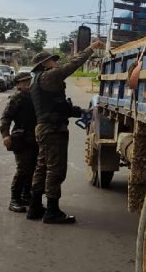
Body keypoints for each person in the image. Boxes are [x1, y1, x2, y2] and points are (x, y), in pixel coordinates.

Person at [27, 40, 105, 224]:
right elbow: (73, 65)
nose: (56, 62)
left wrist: (82, 112)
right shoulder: (48, 77)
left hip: (44, 128)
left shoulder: (37, 81)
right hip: (53, 131)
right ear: (44, 64)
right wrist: (90, 48)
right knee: (56, 170)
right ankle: (52, 212)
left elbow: (59, 107)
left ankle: (35, 206)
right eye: (53, 60)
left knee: (42, 167)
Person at [0, 72, 38, 212]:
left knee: (33, 169)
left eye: (29, 81)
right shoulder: (17, 98)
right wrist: (5, 135)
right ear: (18, 85)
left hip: (36, 138)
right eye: (24, 82)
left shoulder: (36, 95)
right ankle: (14, 200)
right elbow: (5, 118)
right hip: (22, 139)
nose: (27, 83)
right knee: (23, 169)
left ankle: (25, 196)